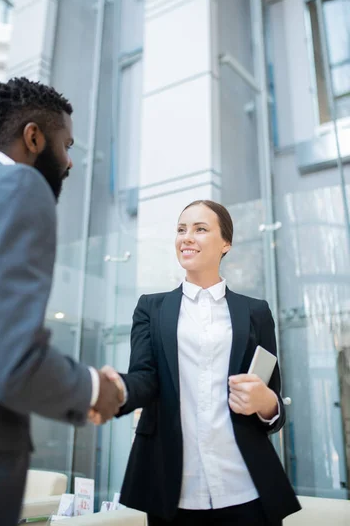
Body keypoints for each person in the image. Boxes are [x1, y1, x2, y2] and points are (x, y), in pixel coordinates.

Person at [0, 77, 122, 526]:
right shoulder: (20, 187)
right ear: (33, 137)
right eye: (66, 145)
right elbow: (11, 367)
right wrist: (94, 389)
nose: (67, 162)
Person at [101, 200, 301, 525]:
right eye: (181, 230)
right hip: (174, 489)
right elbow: (144, 379)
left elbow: (271, 402)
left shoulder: (256, 313)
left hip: (246, 487)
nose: (186, 237)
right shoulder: (150, 309)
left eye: (200, 229)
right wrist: (115, 389)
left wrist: (267, 403)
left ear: (226, 243)